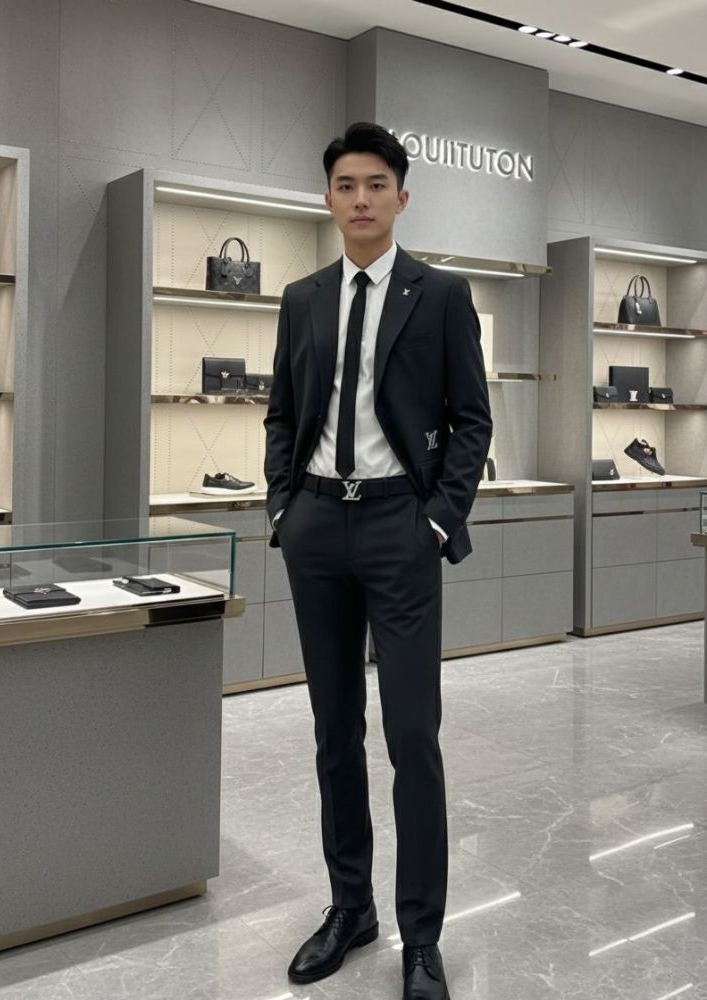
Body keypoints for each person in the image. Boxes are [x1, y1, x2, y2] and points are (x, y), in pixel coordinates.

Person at [263, 122, 492, 1000]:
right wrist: (282, 504)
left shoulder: (440, 294)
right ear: (327, 197)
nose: (360, 199)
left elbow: (472, 419)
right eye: (345, 184)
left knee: (411, 736)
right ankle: (349, 907)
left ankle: (421, 936)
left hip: (401, 526)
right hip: (317, 524)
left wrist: (437, 520)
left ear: (401, 196)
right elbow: (283, 410)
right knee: (334, 733)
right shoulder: (302, 297)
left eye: (375, 184)